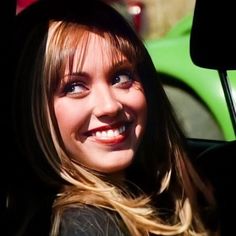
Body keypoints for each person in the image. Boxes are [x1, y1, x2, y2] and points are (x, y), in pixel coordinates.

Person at [11, 0, 219, 235]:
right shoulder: (86, 225)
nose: (110, 106)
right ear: (30, 109)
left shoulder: (159, 188)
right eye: (74, 87)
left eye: (121, 77)